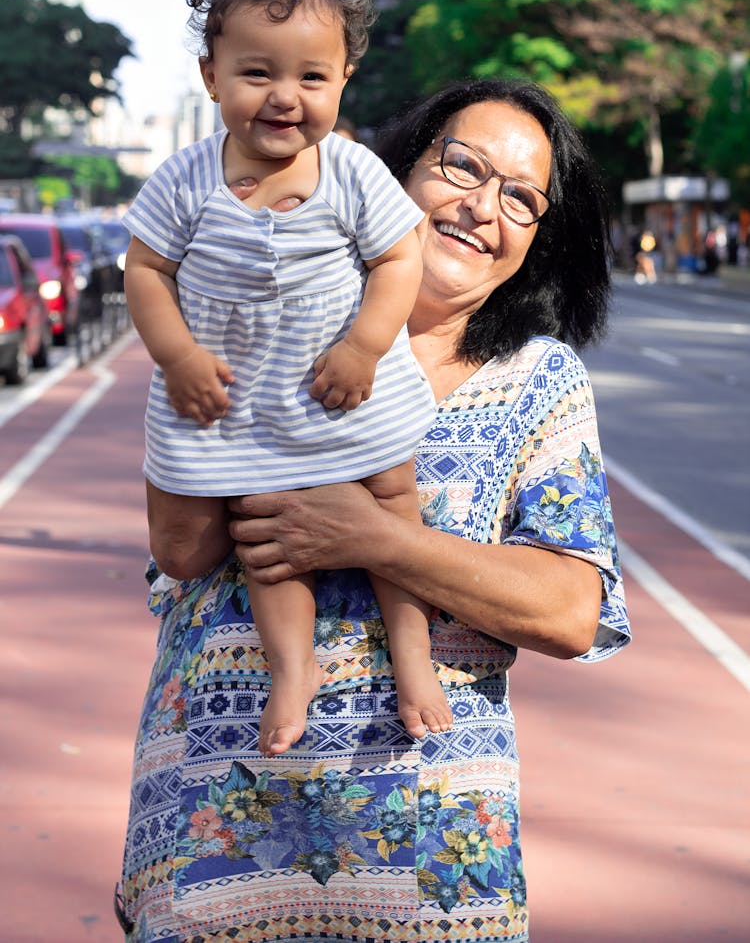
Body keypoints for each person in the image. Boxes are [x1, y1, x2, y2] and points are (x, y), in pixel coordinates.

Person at [116, 77, 631, 943]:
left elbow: (571, 611)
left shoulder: (538, 381)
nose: (481, 207)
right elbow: (184, 549)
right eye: (460, 166)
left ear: (538, 240)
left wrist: (375, 538)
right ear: (387, 173)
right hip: (211, 832)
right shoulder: (265, 318)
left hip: (428, 866)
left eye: (521, 198)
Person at [122, 0, 449, 760]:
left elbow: (400, 258)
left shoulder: (351, 171)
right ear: (211, 76)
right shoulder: (184, 180)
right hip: (242, 403)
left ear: (342, 81)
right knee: (266, 532)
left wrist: (367, 344)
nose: (284, 97)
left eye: (312, 78)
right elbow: (146, 272)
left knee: (395, 498)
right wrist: (179, 357)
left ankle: (414, 658)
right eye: (257, 72)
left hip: (344, 386)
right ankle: (291, 666)